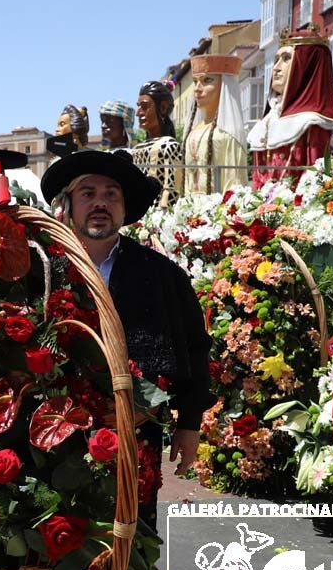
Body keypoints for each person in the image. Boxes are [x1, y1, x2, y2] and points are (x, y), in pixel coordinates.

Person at [41, 149, 213, 531]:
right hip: (55, 433)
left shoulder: (162, 273)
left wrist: (188, 423)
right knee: (62, 534)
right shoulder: (43, 269)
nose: (100, 202)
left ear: (124, 209)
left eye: (111, 194)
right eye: (88, 193)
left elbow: (196, 347)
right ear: (66, 205)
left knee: (133, 534)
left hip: (136, 432)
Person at [247, 26, 333, 189]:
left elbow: (314, 183)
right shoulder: (266, 122)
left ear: (305, 68)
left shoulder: (311, 123)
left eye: (286, 58)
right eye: (276, 60)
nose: (276, 68)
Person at [182, 54, 248, 195]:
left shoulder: (228, 132)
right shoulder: (193, 131)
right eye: (195, 81)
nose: (197, 89)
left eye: (206, 80)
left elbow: (233, 186)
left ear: (225, 86)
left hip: (216, 212)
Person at [132, 80, 183, 208]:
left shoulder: (170, 145)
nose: (138, 113)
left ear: (163, 108)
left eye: (144, 106)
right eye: (138, 106)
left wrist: (162, 214)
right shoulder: (137, 148)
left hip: (159, 216)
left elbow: (173, 187)